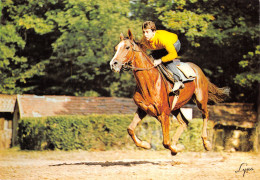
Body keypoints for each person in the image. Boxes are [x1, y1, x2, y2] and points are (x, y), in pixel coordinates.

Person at [140, 21, 184, 92]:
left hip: (174, 43)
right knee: (151, 58)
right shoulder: (144, 40)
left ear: (153, 31)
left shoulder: (162, 39)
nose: (145, 35)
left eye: (147, 32)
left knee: (166, 61)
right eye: (143, 32)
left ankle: (178, 81)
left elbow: (173, 54)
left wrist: (160, 60)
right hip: (161, 47)